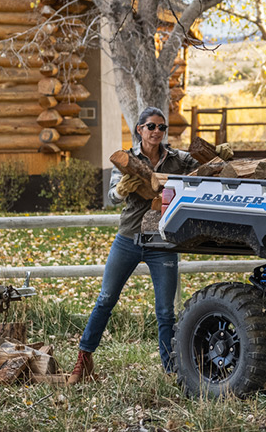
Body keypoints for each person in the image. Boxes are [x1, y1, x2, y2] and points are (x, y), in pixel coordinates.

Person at [68, 107, 199, 383]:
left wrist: (217, 157)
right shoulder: (127, 160)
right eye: (151, 126)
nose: (157, 132)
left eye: (162, 128)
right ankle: (83, 361)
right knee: (105, 300)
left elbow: (201, 167)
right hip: (128, 238)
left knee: (165, 311)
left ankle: (170, 370)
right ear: (139, 129)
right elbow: (112, 196)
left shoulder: (176, 159)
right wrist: (122, 189)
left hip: (162, 242)